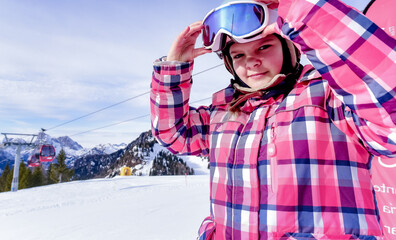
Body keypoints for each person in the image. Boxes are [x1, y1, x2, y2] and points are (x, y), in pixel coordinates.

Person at [150, 0, 396, 239]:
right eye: (237, 56)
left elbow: (389, 111)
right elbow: (173, 133)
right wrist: (175, 66)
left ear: (289, 48)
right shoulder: (223, 112)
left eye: (264, 47)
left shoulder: (329, 97)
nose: (251, 62)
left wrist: (301, 9)